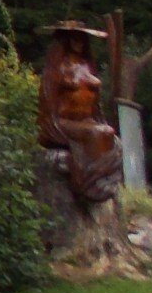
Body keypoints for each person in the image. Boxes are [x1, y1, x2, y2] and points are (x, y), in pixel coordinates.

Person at [37, 23, 123, 204]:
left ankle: (98, 180)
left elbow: (95, 103)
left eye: (81, 37)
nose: (78, 42)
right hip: (64, 121)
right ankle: (87, 183)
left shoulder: (87, 65)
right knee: (96, 134)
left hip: (87, 119)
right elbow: (47, 101)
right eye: (73, 37)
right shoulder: (57, 67)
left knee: (110, 136)